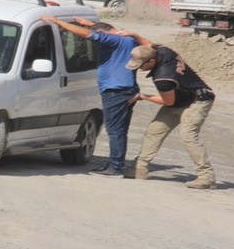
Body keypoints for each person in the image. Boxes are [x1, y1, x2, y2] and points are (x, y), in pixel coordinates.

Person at [40, 15, 150, 177]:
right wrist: (90, 23)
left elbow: (89, 34)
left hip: (116, 90)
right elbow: (102, 30)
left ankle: (115, 167)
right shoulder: (126, 39)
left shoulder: (113, 40)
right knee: (119, 129)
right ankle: (116, 164)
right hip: (124, 89)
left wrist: (57, 21)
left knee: (115, 131)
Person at [124, 42, 217, 189]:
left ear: (152, 61)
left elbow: (167, 101)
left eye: (141, 65)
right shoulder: (163, 51)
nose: (140, 68)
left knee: (188, 136)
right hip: (179, 99)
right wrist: (132, 35)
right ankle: (139, 168)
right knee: (154, 130)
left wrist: (143, 96)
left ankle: (206, 177)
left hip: (197, 101)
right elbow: (149, 44)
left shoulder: (163, 79)